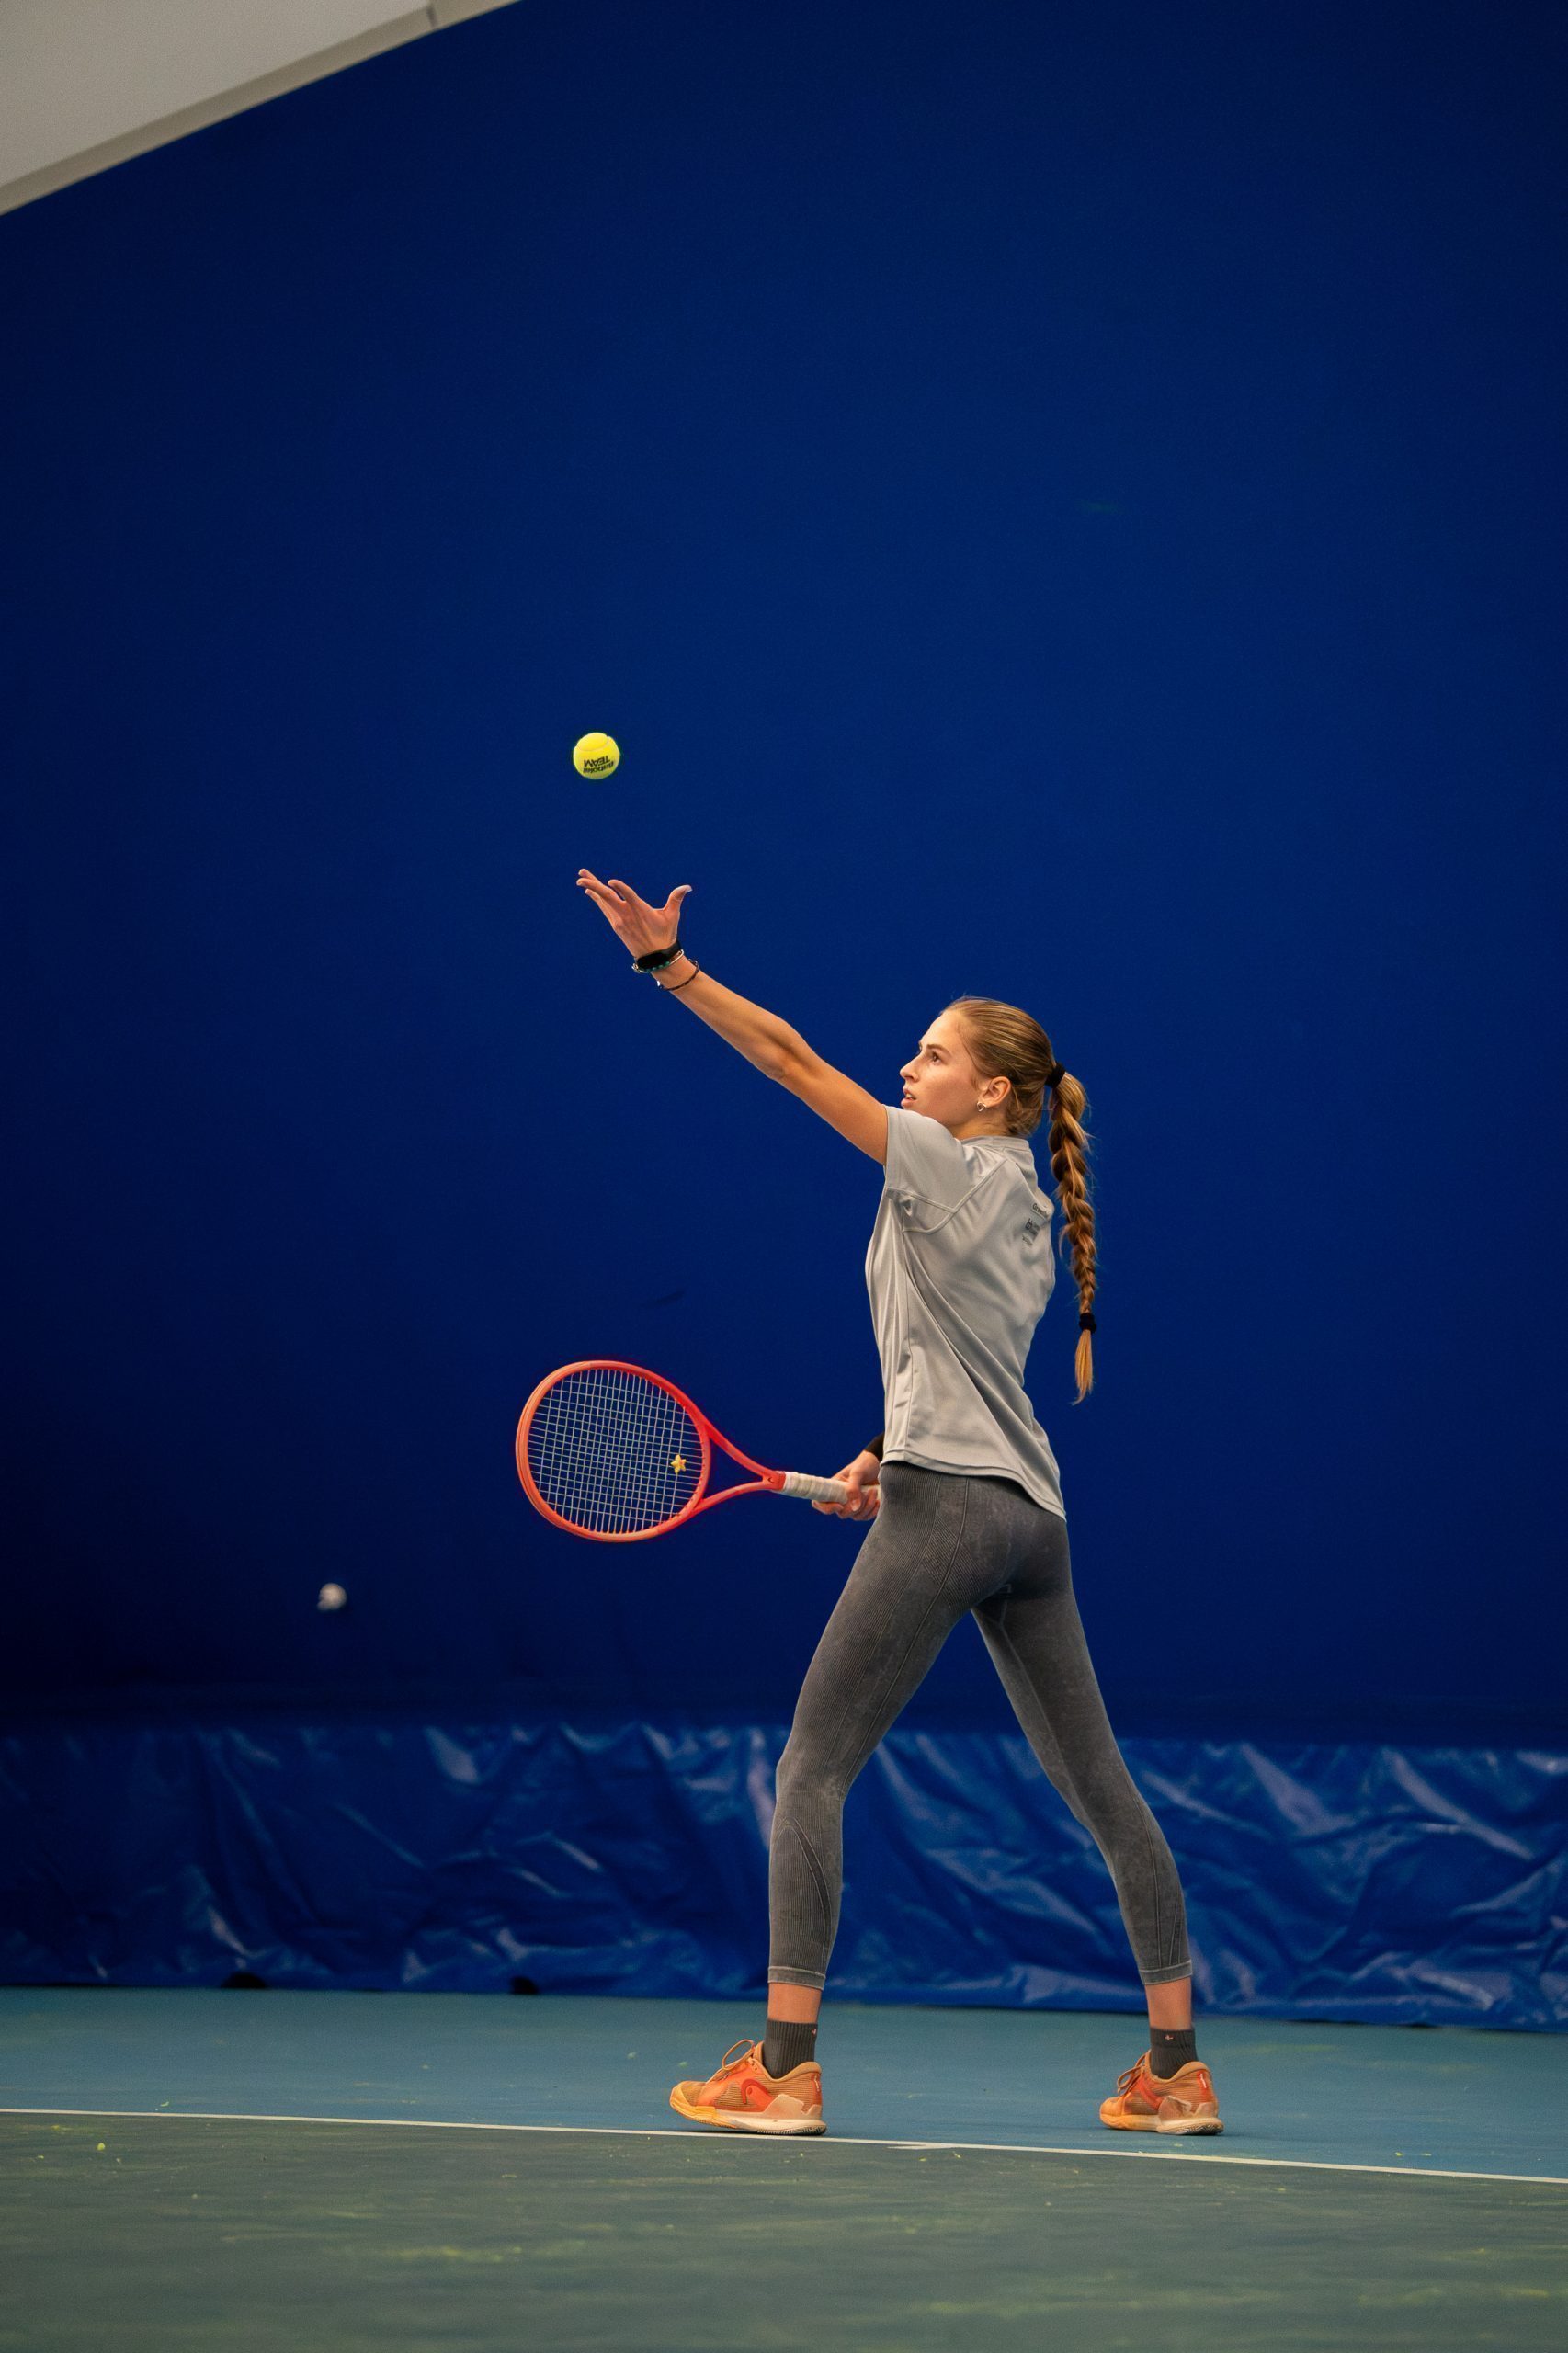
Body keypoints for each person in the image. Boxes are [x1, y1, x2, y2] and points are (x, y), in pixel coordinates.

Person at [576, 870, 1222, 2140]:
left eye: (932, 1056)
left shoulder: (937, 1159)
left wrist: (668, 967)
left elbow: (789, 1059)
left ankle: (782, 2069)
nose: (906, 1070)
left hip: (948, 1516)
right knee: (1103, 1789)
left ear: (993, 1093)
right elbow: (967, 1362)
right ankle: (1175, 2071)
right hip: (1029, 1521)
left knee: (813, 1765)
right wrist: (884, 1451)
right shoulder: (1031, 1205)